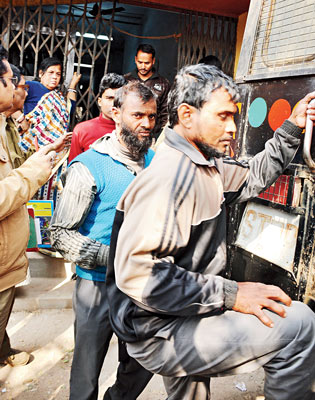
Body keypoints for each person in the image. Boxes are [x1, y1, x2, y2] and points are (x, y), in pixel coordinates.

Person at [106, 64, 315, 400]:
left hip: (182, 311)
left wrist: (293, 126)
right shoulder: (169, 180)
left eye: (234, 116)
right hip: (159, 330)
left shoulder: (207, 167)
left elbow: (253, 176)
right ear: (187, 115)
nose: (233, 128)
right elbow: (140, 275)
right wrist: (232, 294)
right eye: (222, 116)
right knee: (300, 323)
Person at [50, 81, 157, 400]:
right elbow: (60, 234)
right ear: (116, 112)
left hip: (141, 284)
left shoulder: (154, 161)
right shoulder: (88, 167)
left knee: (145, 358)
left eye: (151, 117)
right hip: (96, 287)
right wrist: (113, 257)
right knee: (86, 373)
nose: (146, 124)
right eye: (138, 115)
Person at [0, 46, 58, 367]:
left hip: (7, 254)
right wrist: (34, 172)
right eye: (12, 82)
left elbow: (15, 168)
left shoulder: (5, 124)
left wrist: (41, 157)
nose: (19, 89)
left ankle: (3, 351)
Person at [68, 73, 126, 162]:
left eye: (118, 99)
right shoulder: (82, 130)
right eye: (109, 98)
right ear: (99, 101)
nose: (113, 104)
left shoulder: (131, 131)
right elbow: (73, 169)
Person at [125, 43, 170, 137]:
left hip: (151, 134)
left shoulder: (163, 83)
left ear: (153, 61)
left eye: (147, 63)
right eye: (140, 62)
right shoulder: (126, 80)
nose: (143, 66)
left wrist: (158, 135)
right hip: (129, 133)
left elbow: (165, 113)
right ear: (135, 60)